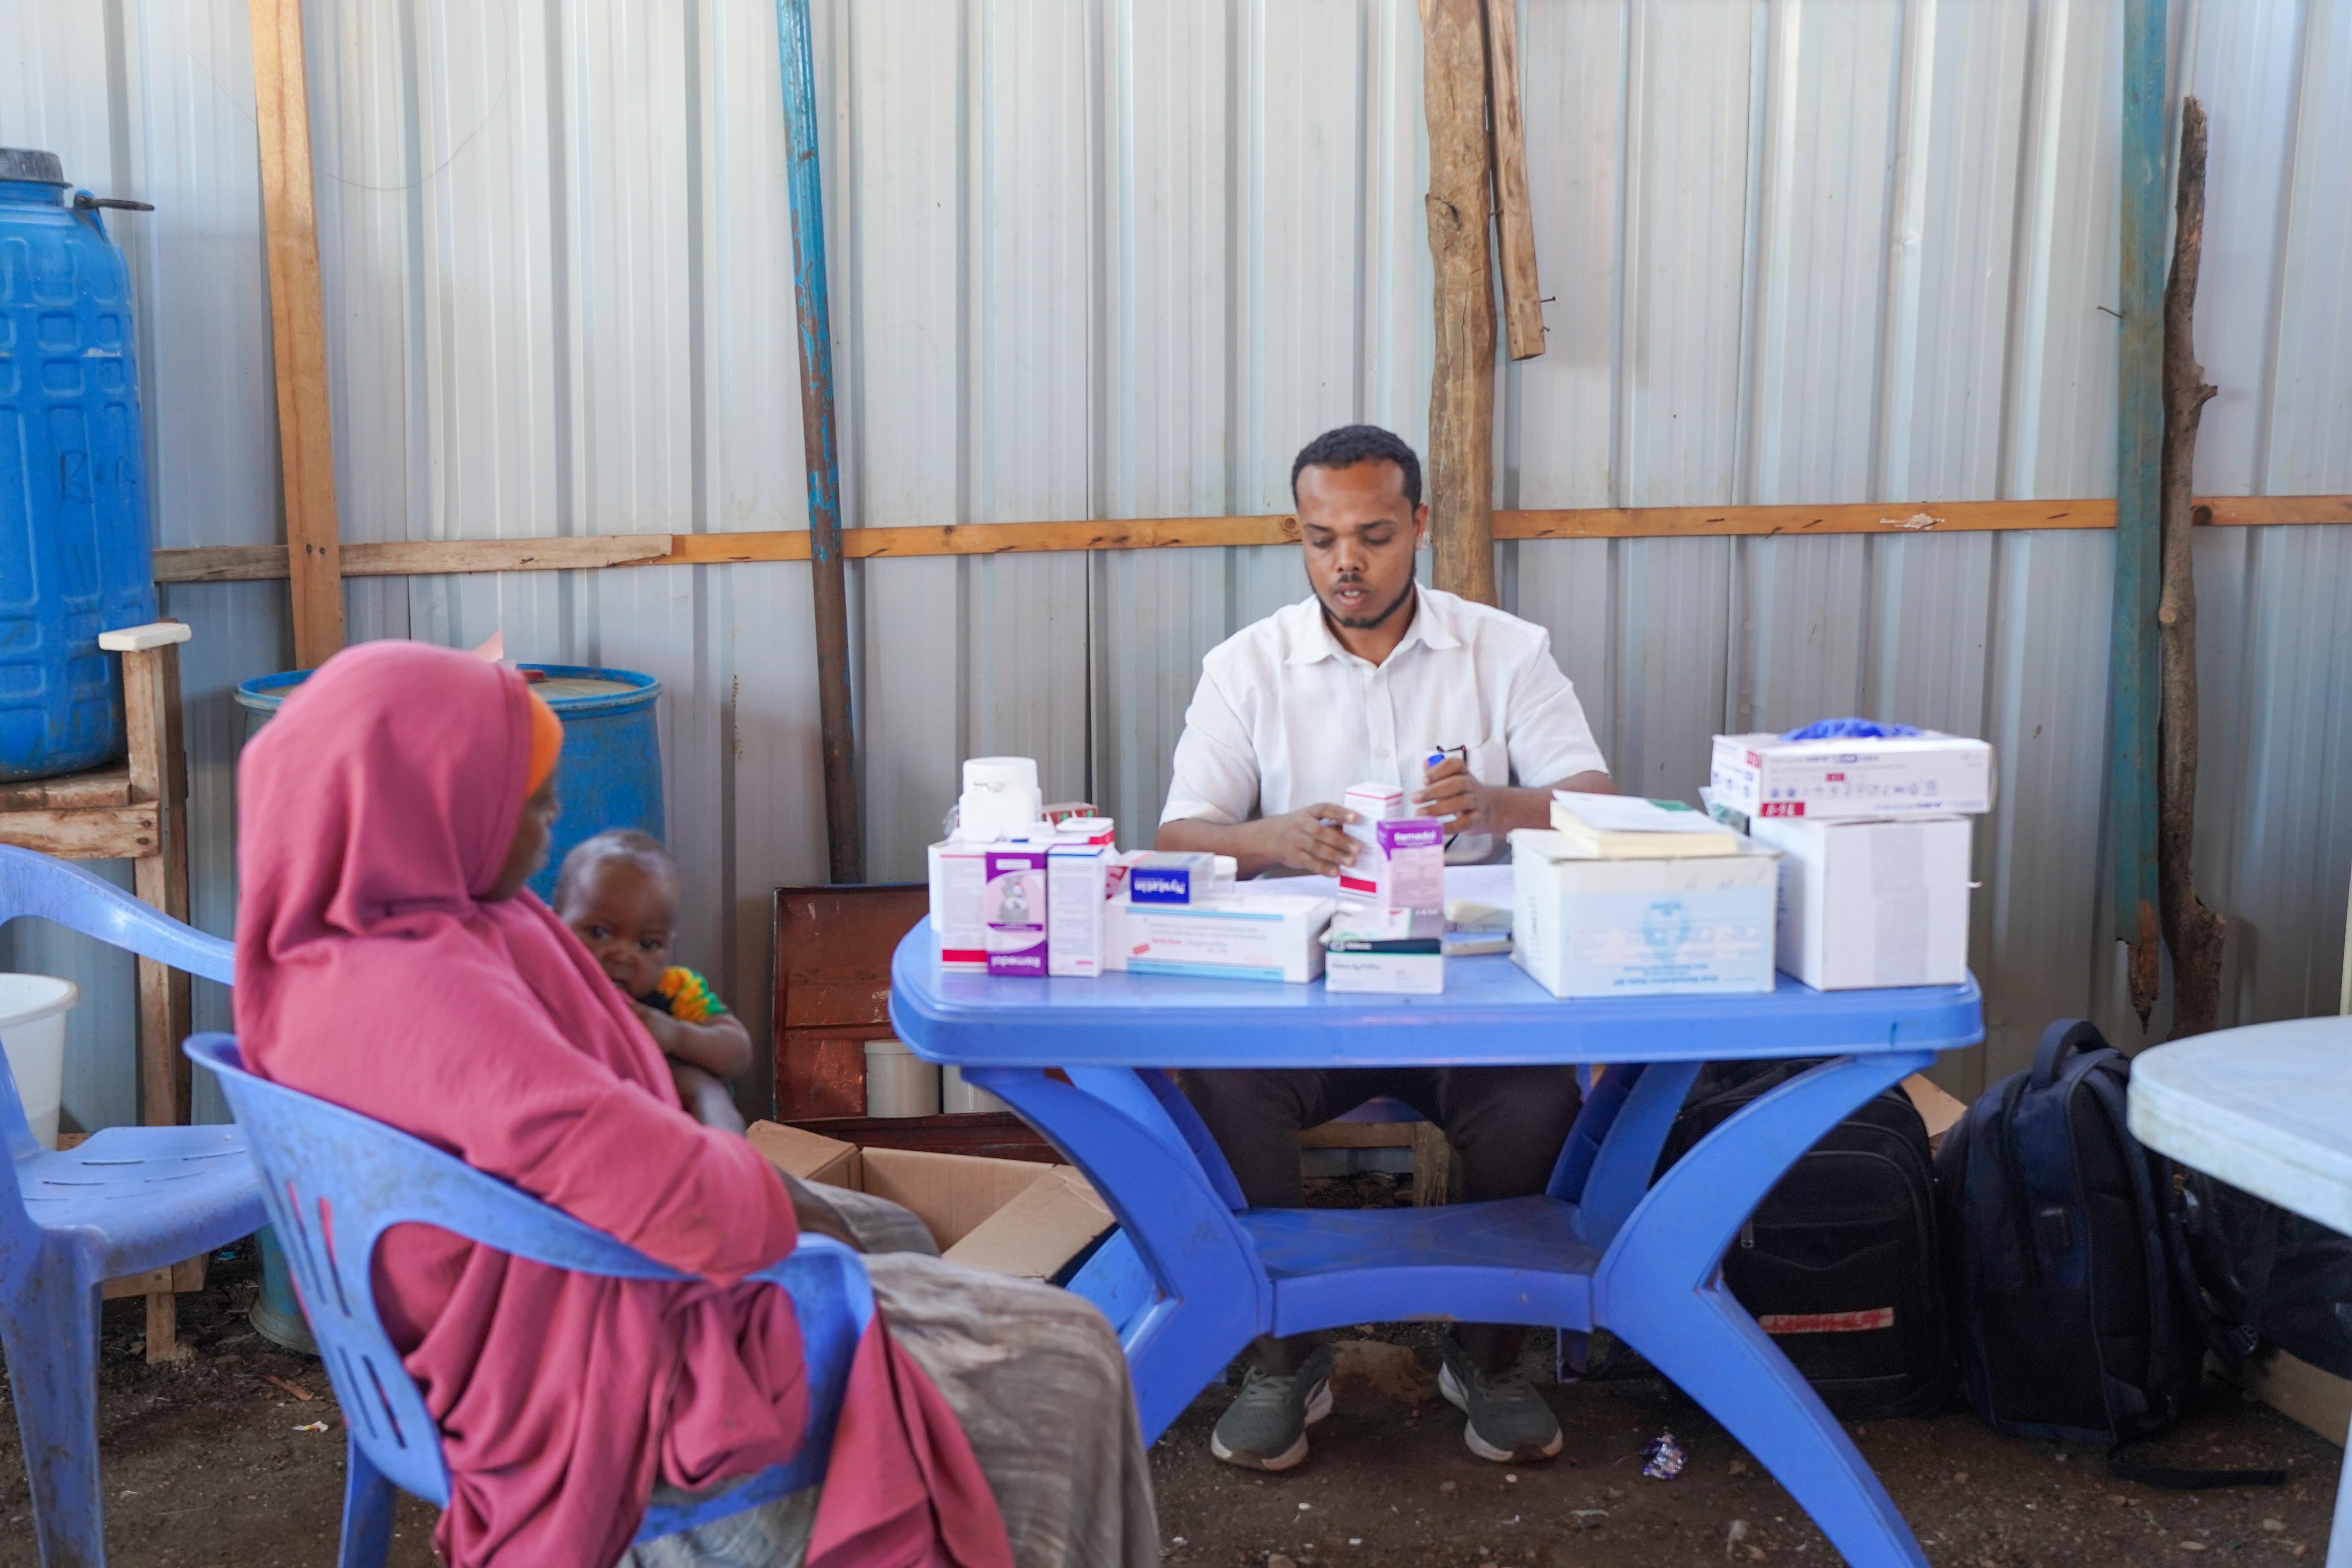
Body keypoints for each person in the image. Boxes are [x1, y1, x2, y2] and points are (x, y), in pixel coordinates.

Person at [234, 640, 1157, 1568]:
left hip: (461, 1343)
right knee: (1071, 1351)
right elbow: (702, 1204)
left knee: (891, 1235)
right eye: (531, 797)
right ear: (432, 800)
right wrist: (731, 1146)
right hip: (586, 1381)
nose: (556, 818)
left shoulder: (310, 952)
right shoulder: (433, 994)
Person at [1156, 424, 1614, 1472]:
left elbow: (1599, 803)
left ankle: (1488, 1354)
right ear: (1298, 537)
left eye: (1371, 534)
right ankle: (1284, 1356)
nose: (1346, 563)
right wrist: (1268, 841)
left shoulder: (1504, 652)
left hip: (1471, 992)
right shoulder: (1249, 667)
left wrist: (1503, 803)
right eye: (1321, 541)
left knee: (1539, 1104)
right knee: (1225, 1091)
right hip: (1311, 998)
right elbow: (1180, 835)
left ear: (1418, 525)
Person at [556, 829, 754, 1133]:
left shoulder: (673, 989)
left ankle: (727, 1161)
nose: (623, 956)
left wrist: (676, 1035)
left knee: (710, 1094)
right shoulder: (551, 982)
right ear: (555, 923)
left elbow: (738, 1053)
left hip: (668, 1127)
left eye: (648, 945)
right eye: (599, 933)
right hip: (588, 1122)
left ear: (669, 947)